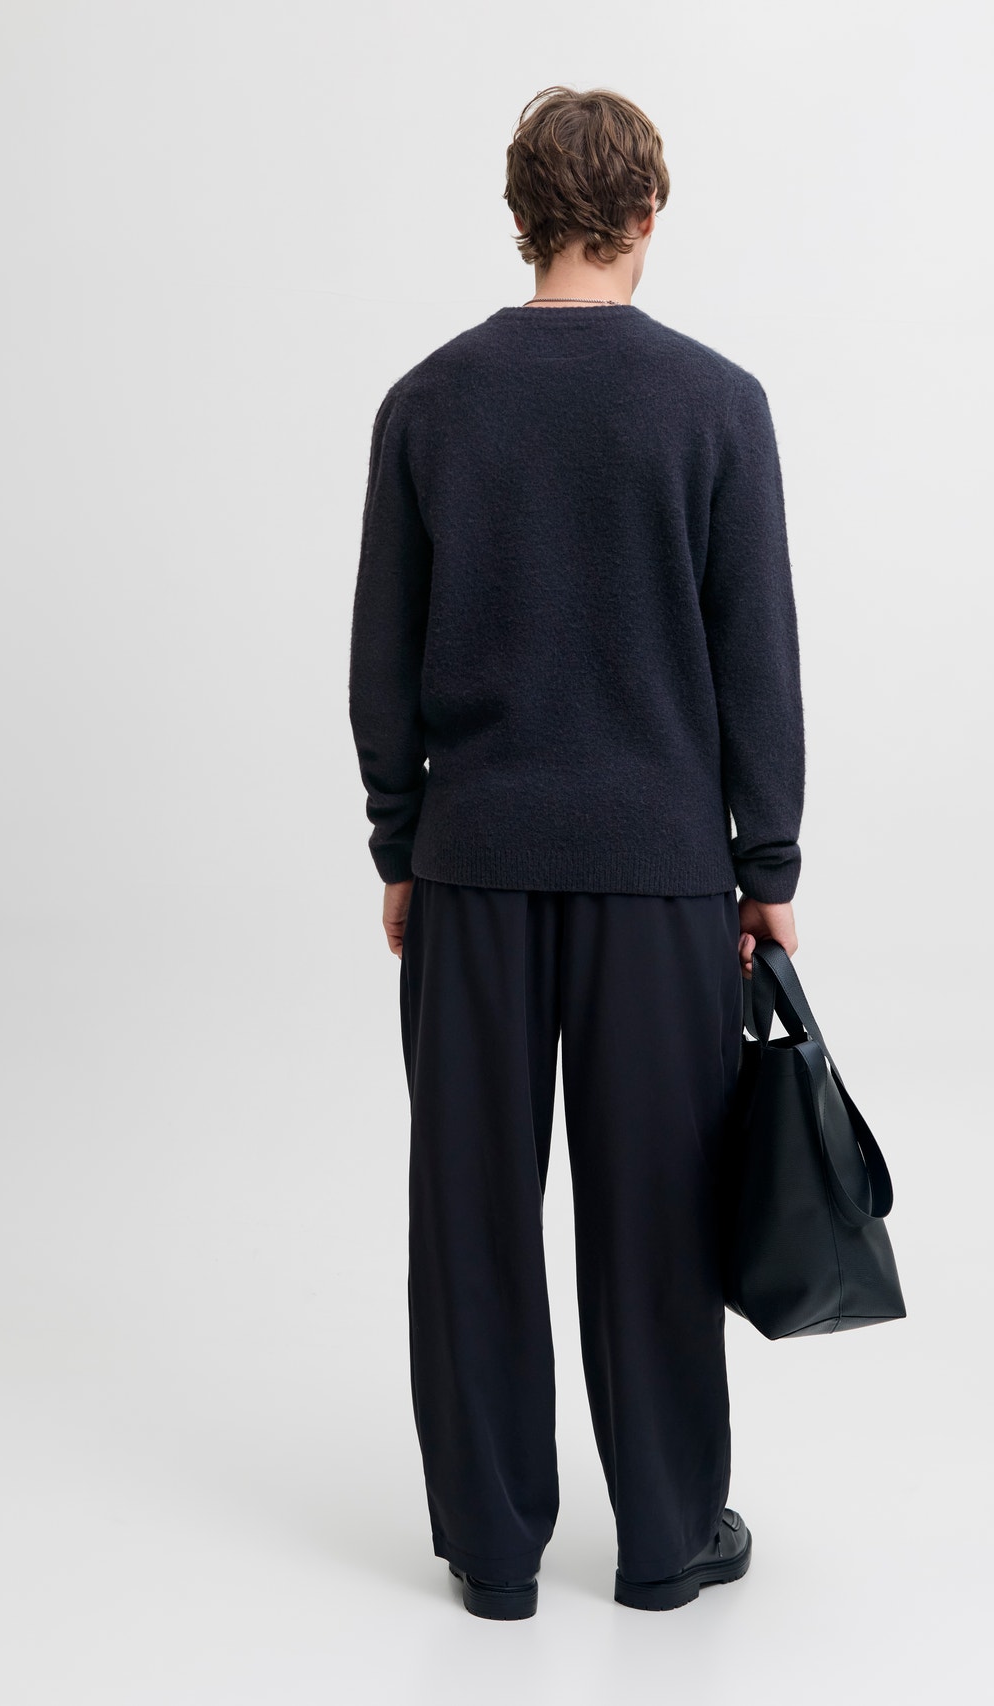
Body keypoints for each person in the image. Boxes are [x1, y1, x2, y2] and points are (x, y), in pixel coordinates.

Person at [348, 85, 806, 1619]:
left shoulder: (429, 402)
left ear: (520, 214)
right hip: (662, 875)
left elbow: (382, 657)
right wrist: (768, 871)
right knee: (658, 1210)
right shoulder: (716, 403)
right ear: (648, 214)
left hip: (473, 865)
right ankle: (668, 1539)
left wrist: (400, 842)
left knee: (471, 1215)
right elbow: (757, 659)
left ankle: (494, 1556)